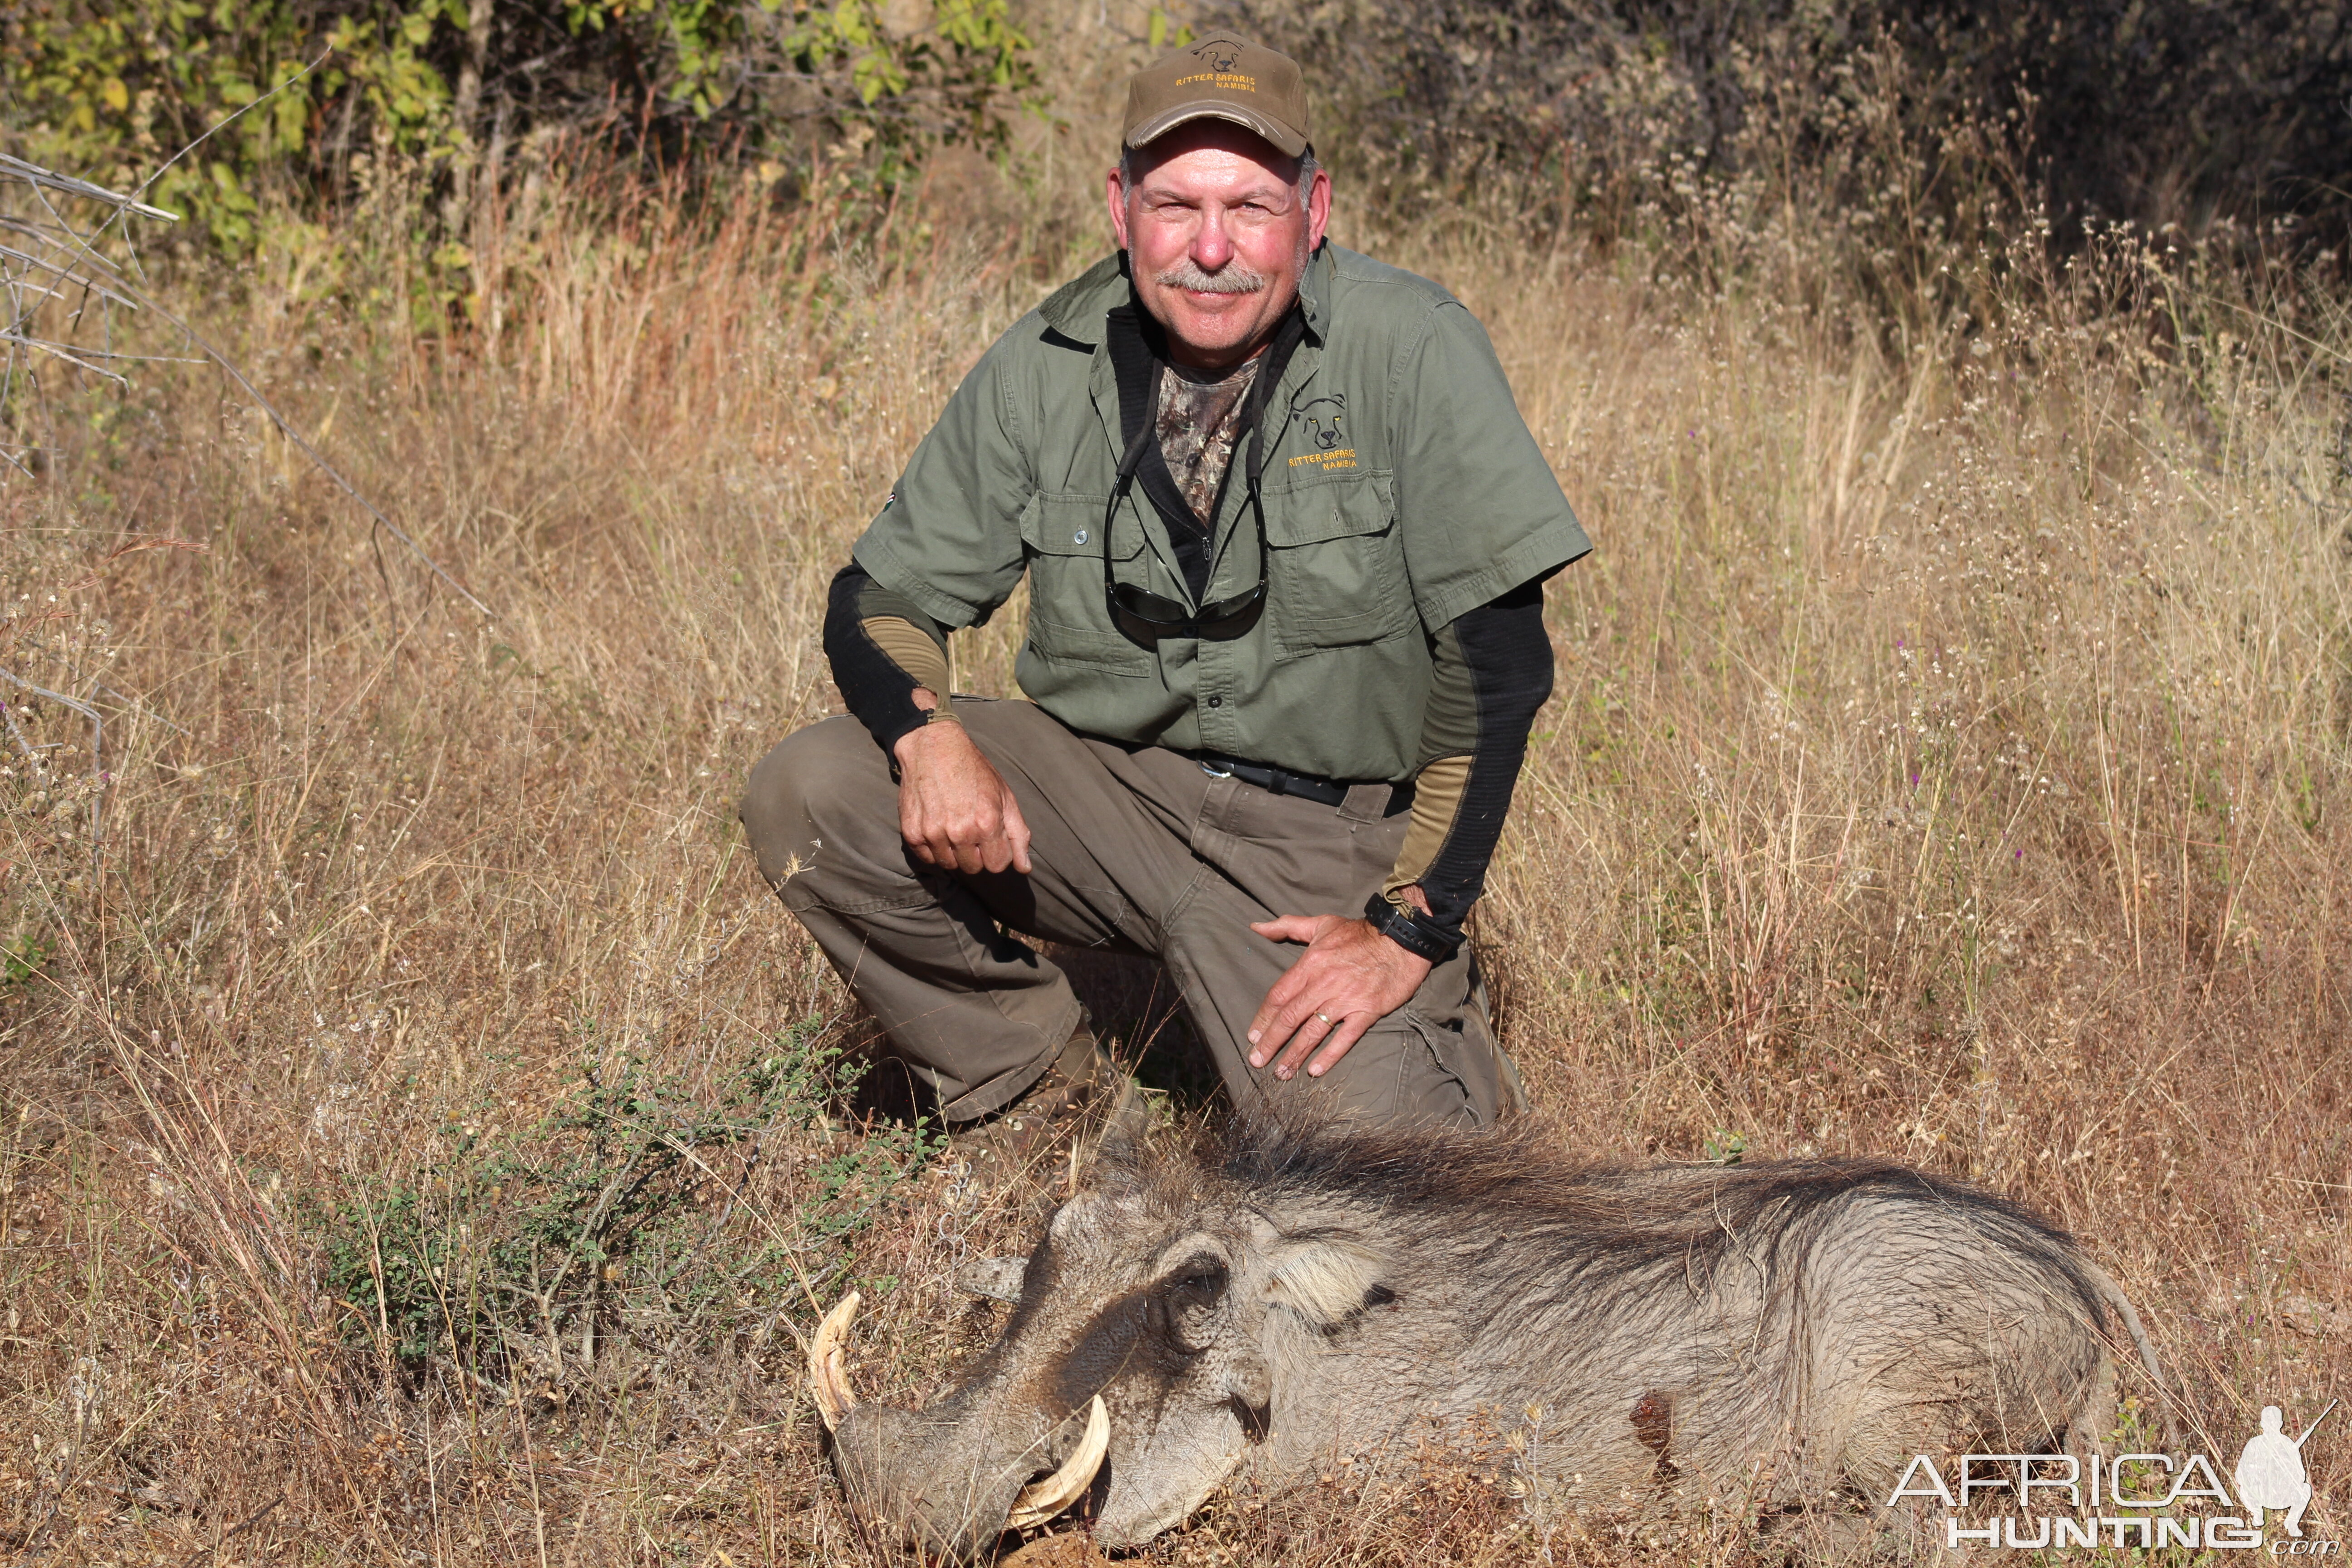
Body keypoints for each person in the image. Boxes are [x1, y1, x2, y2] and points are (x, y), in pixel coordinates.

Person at [740, 34, 1591, 1171]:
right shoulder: (1045, 360)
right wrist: (924, 731)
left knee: (1403, 1202)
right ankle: (1044, 1100)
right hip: (1098, 792)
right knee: (814, 785)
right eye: (1173, 203)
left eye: (1249, 206)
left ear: (1314, 207)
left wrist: (1408, 927)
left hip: (1313, 847)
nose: (1208, 248)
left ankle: (1396, 1050)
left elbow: (1498, 659)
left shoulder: (1412, 347)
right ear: (1119, 206)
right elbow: (882, 593)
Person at [2235, 1404, 2316, 1536]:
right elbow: (2241, 1474)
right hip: (2260, 1495)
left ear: (2280, 1424)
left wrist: (2285, 1469)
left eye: (2274, 1422)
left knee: (2305, 1489)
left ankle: (2292, 1522)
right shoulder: (2254, 1444)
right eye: (2269, 1422)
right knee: (2245, 1487)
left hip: (2282, 1495)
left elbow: (2300, 1475)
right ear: (2262, 1424)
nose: (2271, 1425)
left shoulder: (2289, 1445)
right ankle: (2257, 1513)